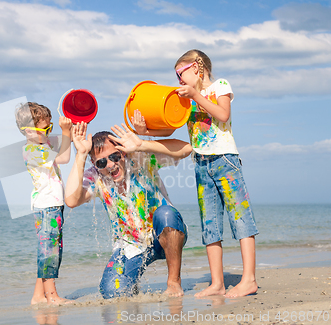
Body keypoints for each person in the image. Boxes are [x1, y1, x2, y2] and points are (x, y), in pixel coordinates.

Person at [133, 49, 258, 298]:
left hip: (225, 160)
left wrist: (195, 95)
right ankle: (217, 283)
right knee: (210, 224)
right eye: (176, 75)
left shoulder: (220, 86)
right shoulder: (188, 100)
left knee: (241, 218)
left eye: (181, 72)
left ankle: (249, 280)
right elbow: (170, 130)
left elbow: (223, 114)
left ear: (198, 66)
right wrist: (144, 129)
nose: (179, 79)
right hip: (200, 163)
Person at [64, 120, 192, 299]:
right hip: (131, 246)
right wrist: (80, 154)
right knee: (112, 293)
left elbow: (186, 149)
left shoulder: (140, 158)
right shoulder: (96, 177)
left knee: (166, 213)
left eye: (115, 157)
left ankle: (173, 283)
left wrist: (142, 144)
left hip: (163, 233)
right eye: (101, 163)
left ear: (123, 152)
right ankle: (132, 283)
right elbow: (71, 200)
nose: (110, 165)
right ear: (94, 164)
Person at [15, 102, 73, 305]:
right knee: (50, 252)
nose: (49, 132)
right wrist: (66, 132)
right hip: (47, 206)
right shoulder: (33, 150)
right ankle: (52, 296)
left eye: (50, 128)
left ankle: (38, 295)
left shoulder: (42, 144)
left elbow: (65, 146)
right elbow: (64, 157)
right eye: (45, 128)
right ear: (29, 130)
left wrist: (70, 131)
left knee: (49, 248)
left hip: (52, 205)